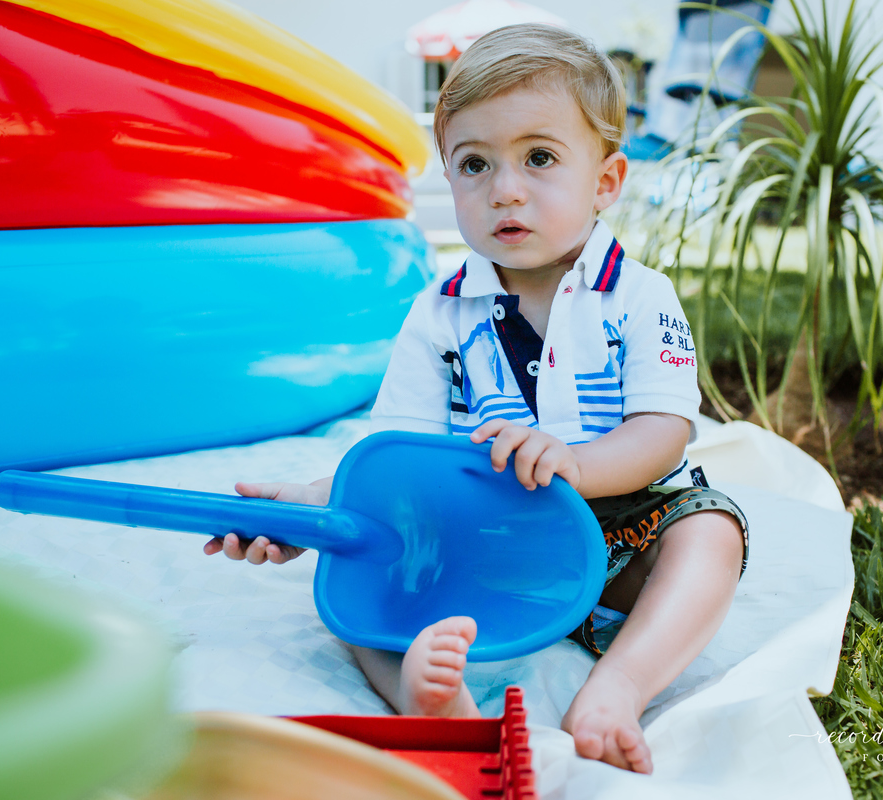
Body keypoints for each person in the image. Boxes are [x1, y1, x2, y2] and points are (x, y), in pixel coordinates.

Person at [204, 23, 748, 775]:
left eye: (539, 157)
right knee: (358, 567)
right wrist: (313, 506)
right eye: (474, 164)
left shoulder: (639, 296)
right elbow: (395, 456)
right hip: (483, 538)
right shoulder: (439, 311)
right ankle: (427, 698)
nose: (506, 188)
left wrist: (577, 466)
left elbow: (663, 433)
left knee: (710, 532)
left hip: (623, 524)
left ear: (607, 182)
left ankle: (616, 688)